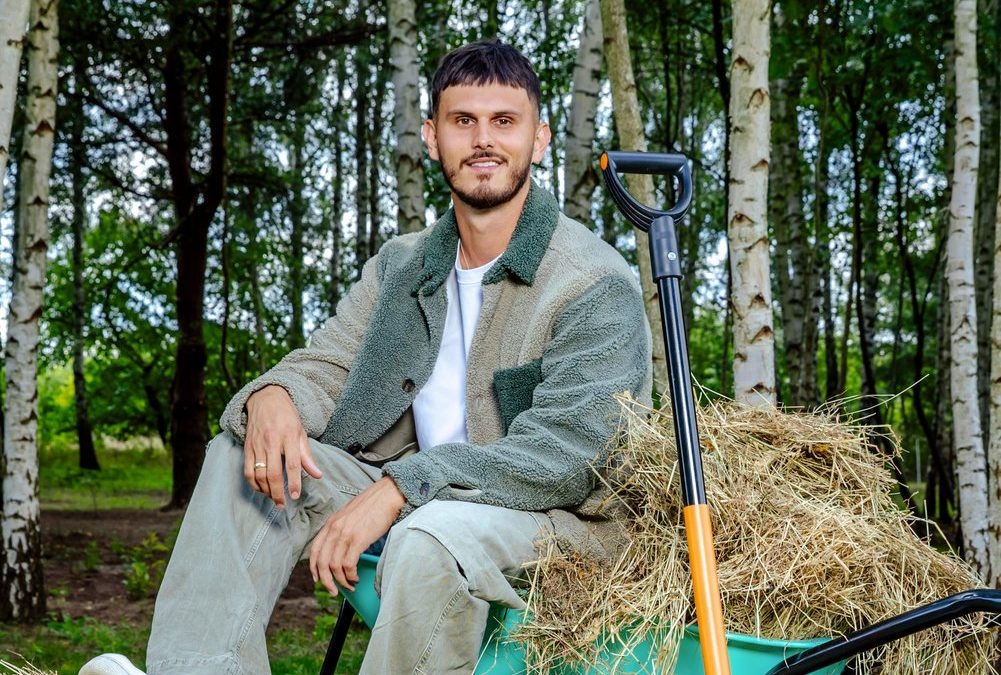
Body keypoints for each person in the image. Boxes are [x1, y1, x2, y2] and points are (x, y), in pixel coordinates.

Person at [80, 38, 651, 675]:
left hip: (554, 522)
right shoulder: (402, 264)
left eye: (504, 121)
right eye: (464, 121)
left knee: (433, 536)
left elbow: (572, 458)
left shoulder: (593, 283)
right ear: (433, 138)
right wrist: (276, 397)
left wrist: (402, 489)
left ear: (538, 139)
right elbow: (330, 364)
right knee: (246, 454)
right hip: (419, 498)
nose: (484, 140)